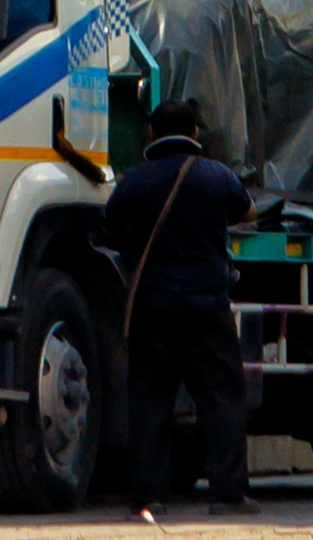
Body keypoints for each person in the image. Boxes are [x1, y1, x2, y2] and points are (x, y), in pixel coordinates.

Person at [99, 109, 254, 509]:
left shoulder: (135, 180)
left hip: (153, 308)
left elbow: (109, 224)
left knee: (150, 402)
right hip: (208, 306)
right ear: (196, 131)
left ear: (151, 132)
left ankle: (148, 499)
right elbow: (247, 210)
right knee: (221, 399)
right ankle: (229, 493)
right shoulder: (215, 175)